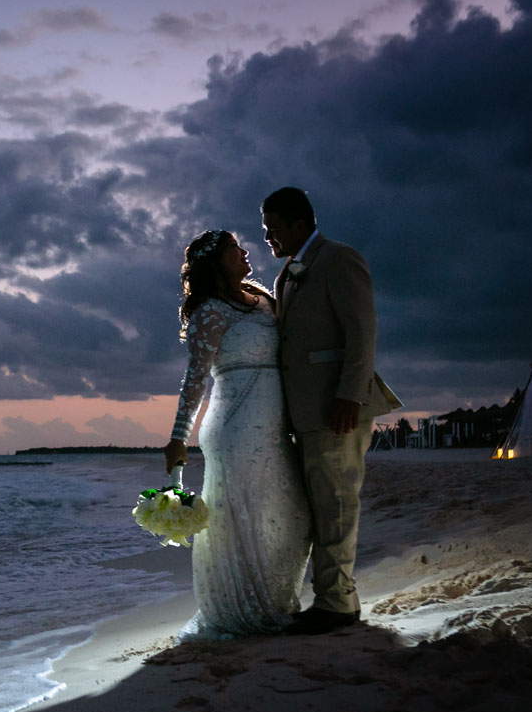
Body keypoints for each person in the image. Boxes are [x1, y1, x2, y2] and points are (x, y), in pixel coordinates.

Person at [261, 187, 401, 635]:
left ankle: (337, 603)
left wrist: (351, 394)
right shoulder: (289, 274)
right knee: (321, 507)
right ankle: (333, 598)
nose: (268, 237)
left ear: (300, 224)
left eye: (275, 229)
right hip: (306, 412)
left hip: (337, 408)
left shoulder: (339, 258)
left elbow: (362, 332)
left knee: (337, 504)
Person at [163, 229, 312, 639]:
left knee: (292, 516)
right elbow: (194, 380)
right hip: (234, 427)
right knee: (242, 519)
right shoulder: (209, 311)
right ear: (216, 260)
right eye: (234, 248)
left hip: (279, 422)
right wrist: (178, 437)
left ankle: (280, 600)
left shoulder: (265, 300)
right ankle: (248, 609)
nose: (245, 252)